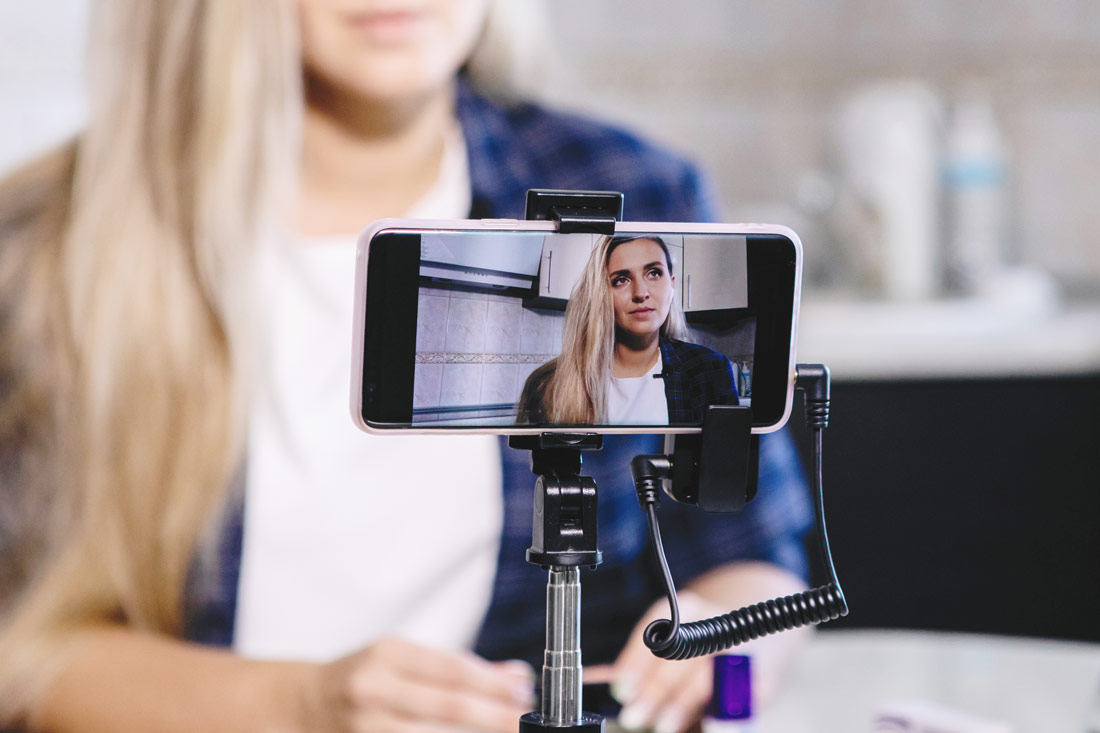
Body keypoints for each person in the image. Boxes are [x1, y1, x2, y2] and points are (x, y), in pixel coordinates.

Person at [0, 2, 813, 731]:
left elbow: (757, 560)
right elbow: (21, 649)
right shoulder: (53, 243)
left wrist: (722, 638)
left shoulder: (634, 191)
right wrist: (300, 705)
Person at [516, 234, 739, 426]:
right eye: (621, 280)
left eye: (653, 273)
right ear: (601, 293)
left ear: (672, 285)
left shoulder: (710, 370)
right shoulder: (547, 384)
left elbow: (729, 467)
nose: (640, 293)